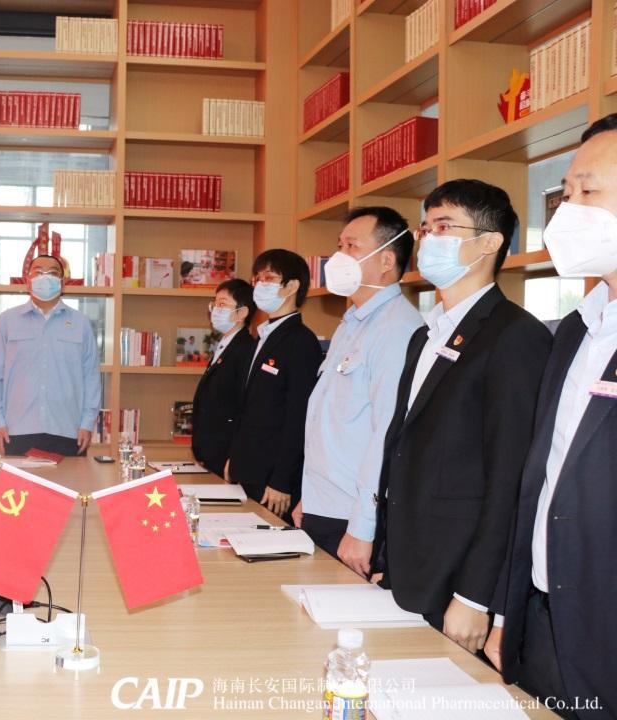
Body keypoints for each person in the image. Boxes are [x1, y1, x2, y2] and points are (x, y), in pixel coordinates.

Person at [369, 180, 552, 651]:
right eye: (426, 227)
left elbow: (510, 480)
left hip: (459, 577)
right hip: (409, 561)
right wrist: (384, 553)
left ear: (489, 243)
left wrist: (475, 596)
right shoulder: (426, 335)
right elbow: (404, 447)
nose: (429, 239)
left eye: (445, 226)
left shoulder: (514, 336)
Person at [483, 115, 617, 718]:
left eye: (588, 190)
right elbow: (539, 479)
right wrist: (507, 611)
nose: (568, 210)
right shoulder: (574, 331)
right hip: (542, 615)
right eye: (565, 192)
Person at [294, 207, 422, 569]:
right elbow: (332, 422)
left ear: (386, 261)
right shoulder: (351, 323)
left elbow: (387, 434)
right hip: (325, 505)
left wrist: (363, 527)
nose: (339, 256)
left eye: (352, 246)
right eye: (339, 245)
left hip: (353, 519)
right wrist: (310, 496)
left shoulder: (398, 328)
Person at [225, 250, 321, 519]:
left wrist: (282, 480)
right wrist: (235, 458)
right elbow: (247, 408)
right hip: (248, 468)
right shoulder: (263, 335)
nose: (259, 285)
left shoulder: (301, 341)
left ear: (291, 286)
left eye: (268, 278)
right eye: (256, 278)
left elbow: (298, 417)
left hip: (273, 480)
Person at [0, 253, 101, 457]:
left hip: (69, 430)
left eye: (53, 273)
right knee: (18, 480)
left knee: (71, 479)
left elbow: (91, 377)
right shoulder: (7, 321)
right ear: (28, 280)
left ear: (63, 282)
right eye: (38, 272)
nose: (45, 277)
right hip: (16, 430)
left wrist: (87, 423)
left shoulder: (81, 323)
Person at [191, 278, 255, 478]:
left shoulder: (245, 349)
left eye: (222, 304)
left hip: (226, 453)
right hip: (210, 450)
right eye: (214, 303)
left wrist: (236, 457)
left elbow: (243, 409)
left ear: (242, 313)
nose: (215, 310)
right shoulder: (225, 344)